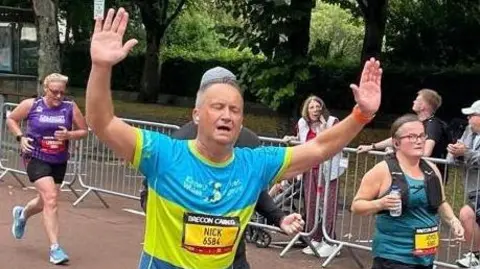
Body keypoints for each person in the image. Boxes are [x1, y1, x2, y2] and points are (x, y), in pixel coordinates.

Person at [86, 7, 381, 269]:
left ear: (241, 121)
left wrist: (361, 116)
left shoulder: (255, 163)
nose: (227, 115)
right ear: (197, 114)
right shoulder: (164, 154)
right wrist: (100, 68)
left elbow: (318, 148)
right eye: (217, 107)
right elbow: (102, 123)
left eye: (235, 110)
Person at [139, 121, 304, 269]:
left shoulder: (248, 144)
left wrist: (279, 217)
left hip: (229, 247)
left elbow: (253, 189)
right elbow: (151, 188)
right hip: (179, 247)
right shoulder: (181, 141)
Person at [351, 114, 464, 269]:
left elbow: (441, 202)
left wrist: (453, 221)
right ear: (396, 143)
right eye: (411, 136)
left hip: (425, 255)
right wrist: (380, 203)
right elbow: (356, 206)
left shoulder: (431, 169)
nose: (419, 141)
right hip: (393, 257)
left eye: (422, 135)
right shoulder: (382, 171)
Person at [6, 73, 88, 265]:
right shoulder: (32, 105)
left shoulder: (70, 107)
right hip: (35, 156)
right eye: (54, 92)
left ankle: (22, 214)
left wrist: (69, 135)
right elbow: (12, 119)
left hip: (59, 160)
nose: (59, 96)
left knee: (45, 202)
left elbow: (84, 131)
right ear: (45, 89)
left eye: (62, 92)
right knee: (51, 198)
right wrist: (21, 137)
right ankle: (55, 249)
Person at [283, 95, 345, 257]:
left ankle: (329, 240)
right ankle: (314, 238)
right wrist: (292, 139)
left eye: (318, 107)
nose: (315, 110)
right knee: (311, 204)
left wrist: (324, 128)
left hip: (328, 170)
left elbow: (334, 140)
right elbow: (303, 141)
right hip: (310, 169)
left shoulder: (332, 122)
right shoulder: (302, 124)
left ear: (322, 108)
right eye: (312, 107)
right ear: (307, 110)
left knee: (328, 205)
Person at [357, 89, 448, 160]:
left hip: (429, 176)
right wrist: (371, 147)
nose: (413, 102)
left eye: (417, 100)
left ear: (423, 105)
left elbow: (426, 152)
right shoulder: (418, 123)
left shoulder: (433, 125)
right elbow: (397, 138)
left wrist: (398, 152)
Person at [447, 100, 480, 268]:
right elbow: (451, 158)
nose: (468, 118)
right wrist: (455, 153)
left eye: (472, 115)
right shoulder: (468, 131)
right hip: (473, 189)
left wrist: (465, 153)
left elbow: (469, 154)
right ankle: (476, 255)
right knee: (466, 214)